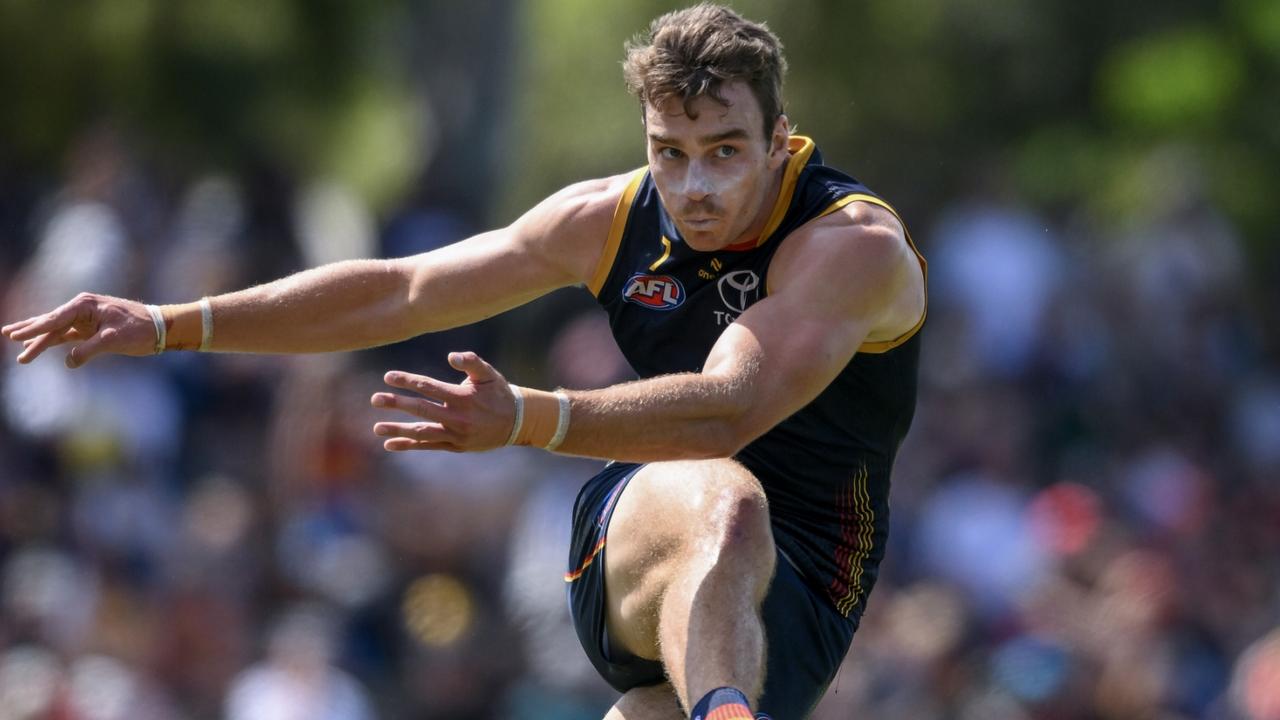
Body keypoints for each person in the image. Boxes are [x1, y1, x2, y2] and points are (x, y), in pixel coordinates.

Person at [2, 4, 926, 719]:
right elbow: (399, 290)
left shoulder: (852, 246)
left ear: (781, 138)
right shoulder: (608, 219)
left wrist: (528, 418)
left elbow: (730, 405)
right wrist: (171, 321)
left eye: (725, 153)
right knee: (726, 501)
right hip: (650, 538)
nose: (694, 186)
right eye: (670, 153)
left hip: (809, 588)